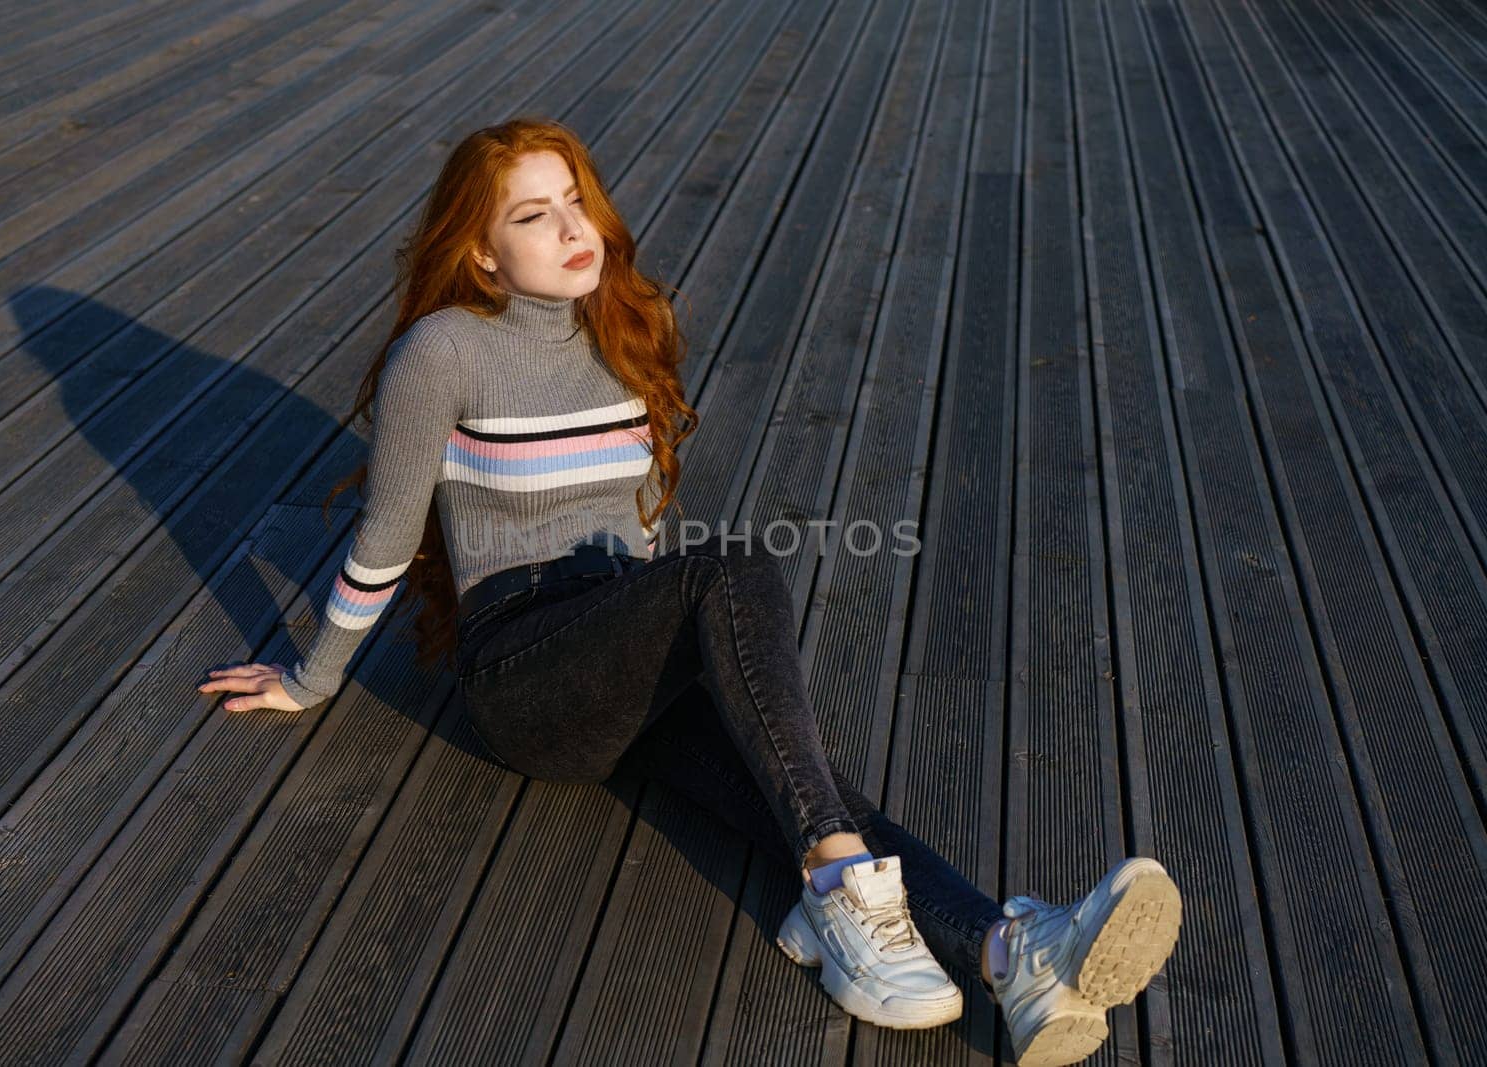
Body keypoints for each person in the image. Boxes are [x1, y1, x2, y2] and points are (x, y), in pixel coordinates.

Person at [198, 116, 1181, 1065]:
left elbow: (638, 526)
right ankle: (846, 895)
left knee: (804, 786)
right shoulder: (444, 350)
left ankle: (1013, 959)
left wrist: (701, 660)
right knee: (737, 571)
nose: (571, 226)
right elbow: (385, 533)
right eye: (531, 214)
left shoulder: (623, 329)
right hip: (523, 669)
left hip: (621, 643)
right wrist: (313, 676)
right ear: (484, 252)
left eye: (573, 198)